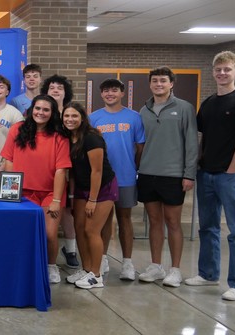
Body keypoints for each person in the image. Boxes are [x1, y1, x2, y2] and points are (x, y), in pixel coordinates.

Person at [186, 51, 235, 301]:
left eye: (227, 69)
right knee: (208, 227)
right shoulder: (208, 103)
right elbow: (203, 137)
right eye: (218, 70)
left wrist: (232, 170)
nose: (222, 73)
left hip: (230, 177)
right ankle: (208, 274)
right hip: (206, 174)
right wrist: (198, 166)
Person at [137, 67, 198, 287]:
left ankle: (175, 269)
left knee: (173, 222)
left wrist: (189, 174)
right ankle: (155, 266)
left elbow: (192, 143)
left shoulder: (184, 108)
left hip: (173, 175)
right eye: (155, 81)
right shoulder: (144, 110)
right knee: (154, 221)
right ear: (150, 84)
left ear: (172, 83)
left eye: (163, 80)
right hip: (147, 173)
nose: (159, 84)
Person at [1, 95, 71, 284]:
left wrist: (56, 200)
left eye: (46, 110)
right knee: (23, 233)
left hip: (50, 193)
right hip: (23, 192)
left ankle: (51, 266)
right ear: (32, 110)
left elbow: (61, 169)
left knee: (49, 234)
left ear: (52, 113)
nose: (41, 112)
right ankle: (24, 266)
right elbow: (9, 160)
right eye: (38, 108)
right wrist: (9, 194)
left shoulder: (60, 136)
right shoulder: (17, 129)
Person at [89, 78, 145, 280]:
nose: (109, 94)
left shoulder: (134, 117)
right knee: (103, 221)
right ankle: (102, 258)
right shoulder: (93, 118)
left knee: (125, 219)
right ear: (101, 94)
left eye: (114, 90)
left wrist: (133, 168)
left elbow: (140, 147)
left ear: (122, 93)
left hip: (126, 177)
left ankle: (127, 263)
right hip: (102, 178)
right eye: (105, 91)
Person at [62, 102, 118, 289]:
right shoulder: (69, 138)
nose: (70, 119)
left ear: (83, 118)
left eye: (74, 116)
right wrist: (72, 196)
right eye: (67, 116)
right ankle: (86, 269)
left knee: (91, 230)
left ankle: (96, 274)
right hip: (81, 189)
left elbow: (97, 171)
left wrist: (92, 200)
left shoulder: (92, 138)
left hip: (102, 188)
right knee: (79, 228)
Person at [40, 74, 80, 269]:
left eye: (60, 88)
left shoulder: (71, 113)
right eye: (52, 88)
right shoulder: (42, 113)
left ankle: (71, 249)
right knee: (57, 210)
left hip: (73, 167)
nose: (55, 91)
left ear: (66, 92)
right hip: (50, 170)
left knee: (68, 210)